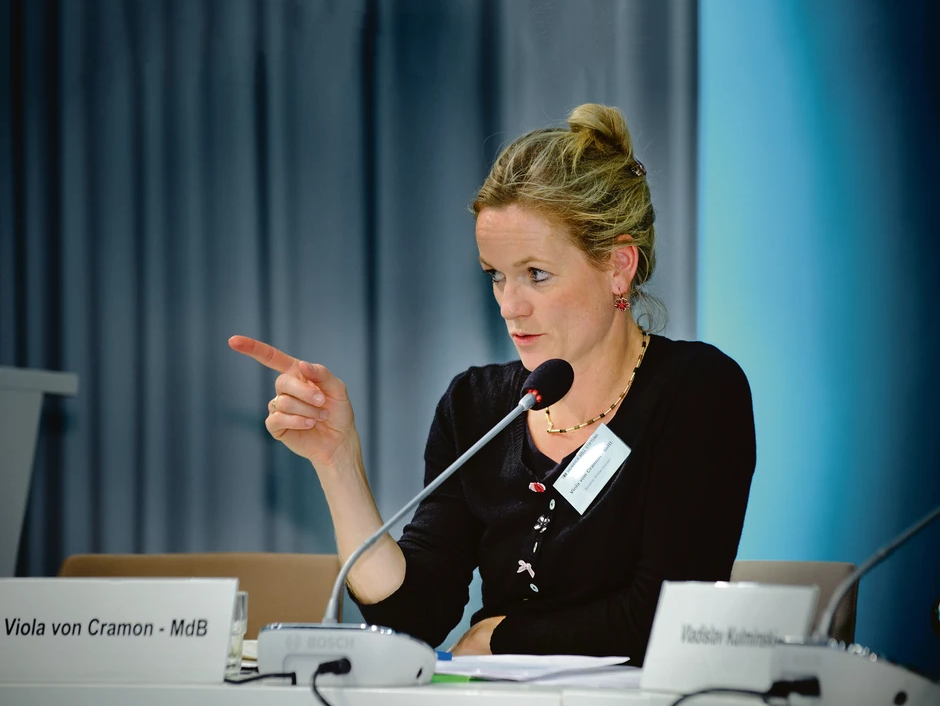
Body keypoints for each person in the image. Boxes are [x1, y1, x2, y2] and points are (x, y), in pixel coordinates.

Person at [229, 103, 755, 662]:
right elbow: (413, 618)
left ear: (619, 265)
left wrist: (502, 638)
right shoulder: (475, 405)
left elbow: (667, 619)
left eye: (536, 274)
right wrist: (337, 462)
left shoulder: (697, 391)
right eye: (496, 276)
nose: (509, 305)